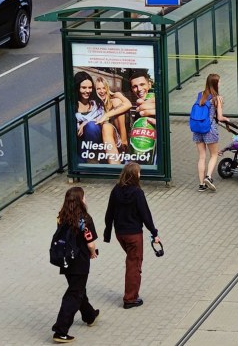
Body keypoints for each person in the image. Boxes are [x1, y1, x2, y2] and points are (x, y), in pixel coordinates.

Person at [103, 162, 160, 309]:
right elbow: (145, 215)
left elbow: (109, 213)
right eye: (139, 173)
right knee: (134, 265)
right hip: (134, 234)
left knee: (131, 260)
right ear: (134, 175)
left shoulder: (116, 190)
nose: (140, 175)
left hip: (120, 233)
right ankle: (130, 298)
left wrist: (107, 233)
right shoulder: (137, 193)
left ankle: (131, 294)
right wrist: (154, 233)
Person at [51, 187, 99, 343]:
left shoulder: (61, 216)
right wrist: (92, 253)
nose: (86, 199)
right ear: (80, 200)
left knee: (78, 289)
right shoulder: (85, 219)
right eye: (84, 197)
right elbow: (90, 243)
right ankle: (60, 331)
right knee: (74, 294)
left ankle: (89, 315)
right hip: (80, 262)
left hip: (65, 261)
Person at [193, 73, 230, 192]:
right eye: (219, 82)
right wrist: (226, 119)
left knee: (201, 156)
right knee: (214, 155)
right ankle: (208, 177)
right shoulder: (217, 98)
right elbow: (219, 117)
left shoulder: (200, 95)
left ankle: (201, 184)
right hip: (209, 129)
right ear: (215, 83)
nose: (220, 83)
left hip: (198, 129)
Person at [94, 76, 131, 164]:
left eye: (104, 88)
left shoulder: (115, 95)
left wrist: (106, 115)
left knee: (116, 102)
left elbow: (128, 104)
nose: (102, 91)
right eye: (98, 89)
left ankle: (123, 140)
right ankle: (116, 169)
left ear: (107, 88)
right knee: (106, 126)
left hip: (124, 133)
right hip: (109, 136)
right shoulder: (96, 103)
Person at [74, 71, 105, 164]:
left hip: (97, 144)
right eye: (84, 87)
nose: (87, 91)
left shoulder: (96, 103)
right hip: (80, 146)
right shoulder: (72, 106)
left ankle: (94, 158)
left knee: (91, 126)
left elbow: (103, 119)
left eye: (90, 87)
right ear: (77, 88)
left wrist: (86, 122)